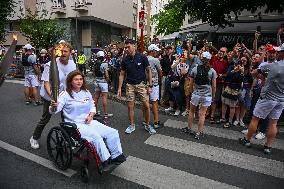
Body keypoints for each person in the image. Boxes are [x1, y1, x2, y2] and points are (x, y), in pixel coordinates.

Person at [50, 70, 125, 167]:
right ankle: (106, 160)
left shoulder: (86, 92)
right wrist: (53, 106)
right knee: (96, 136)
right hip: (74, 125)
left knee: (112, 132)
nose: (79, 81)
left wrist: (91, 115)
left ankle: (116, 155)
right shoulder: (65, 95)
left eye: (81, 79)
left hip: (89, 121)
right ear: (70, 81)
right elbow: (54, 110)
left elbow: (92, 106)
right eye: (76, 79)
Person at [30, 42, 76, 149]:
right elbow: (46, 82)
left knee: (67, 118)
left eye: (66, 51)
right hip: (49, 96)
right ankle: (34, 138)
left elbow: (73, 80)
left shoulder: (72, 65)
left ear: (70, 53)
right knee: (45, 119)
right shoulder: (50, 64)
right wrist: (53, 97)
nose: (63, 53)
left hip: (64, 96)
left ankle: (68, 139)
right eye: (62, 51)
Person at [239, 43, 284, 154]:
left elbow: (253, 73)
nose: (276, 54)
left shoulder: (271, 65)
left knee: (255, 118)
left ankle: (247, 140)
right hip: (281, 99)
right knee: (273, 123)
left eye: (278, 52)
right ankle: (267, 146)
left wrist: (263, 74)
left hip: (267, 97)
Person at [117, 39, 156, 135]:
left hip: (142, 84)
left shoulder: (142, 57)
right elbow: (122, 74)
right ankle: (131, 124)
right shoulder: (125, 60)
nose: (126, 49)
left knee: (146, 106)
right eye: (125, 47)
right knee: (130, 106)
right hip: (130, 85)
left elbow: (148, 70)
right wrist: (119, 88)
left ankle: (147, 124)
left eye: (128, 47)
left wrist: (150, 85)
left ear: (134, 46)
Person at [182, 51, 217, 140]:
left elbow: (190, 83)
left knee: (192, 111)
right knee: (202, 114)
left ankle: (189, 128)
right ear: (209, 60)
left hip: (196, 94)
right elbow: (214, 86)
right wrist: (213, 95)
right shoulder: (212, 71)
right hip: (207, 95)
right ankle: (199, 132)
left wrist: (190, 92)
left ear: (201, 59)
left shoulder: (195, 69)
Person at [93, 51, 113, 118]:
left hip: (96, 81)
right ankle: (105, 114)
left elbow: (93, 73)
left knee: (96, 97)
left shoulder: (95, 64)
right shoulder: (104, 64)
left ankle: (94, 112)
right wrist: (108, 82)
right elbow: (106, 75)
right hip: (103, 82)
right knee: (104, 97)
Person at [147, 44, 163, 129]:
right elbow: (160, 72)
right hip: (154, 84)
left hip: (145, 84)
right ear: (152, 51)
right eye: (156, 51)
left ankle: (146, 120)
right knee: (154, 102)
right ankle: (156, 122)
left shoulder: (144, 58)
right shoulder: (155, 60)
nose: (156, 52)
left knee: (146, 103)